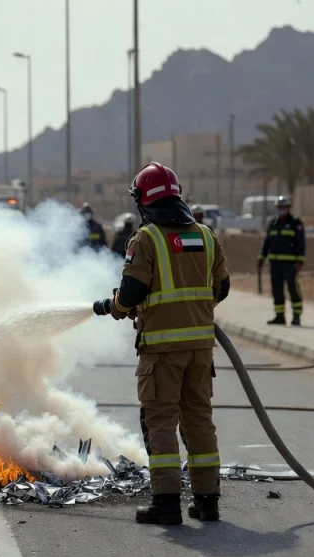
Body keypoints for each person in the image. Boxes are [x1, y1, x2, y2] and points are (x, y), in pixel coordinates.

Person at [92, 162, 230, 525]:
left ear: (143, 201)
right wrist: (192, 311)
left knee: (160, 421)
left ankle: (167, 503)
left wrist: (117, 306)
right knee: (199, 419)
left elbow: (133, 291)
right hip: (201, 348)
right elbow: (223, 288)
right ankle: (207, 501)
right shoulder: (205, 235)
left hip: (161, 352)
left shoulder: (147, 238)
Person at [257, 196, 306, 326]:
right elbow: (266, 242)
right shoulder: (273, 223)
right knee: (276, 290)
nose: (281, 210)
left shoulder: (296, 223)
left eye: (283, 207)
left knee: (293, 288)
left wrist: (300, 260)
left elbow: (301, 243)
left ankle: (296, 316)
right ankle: (280, 316)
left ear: (289, 208)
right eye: (279, 207)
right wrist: (261, 257)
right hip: (275, 264)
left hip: (290, 264)